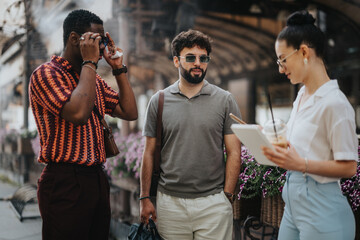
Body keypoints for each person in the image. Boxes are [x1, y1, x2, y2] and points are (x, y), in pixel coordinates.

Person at [29, 9, 138, 240]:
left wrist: (118, 68)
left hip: (97, 178)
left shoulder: (94, 80)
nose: (101, 47)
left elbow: (129, 111)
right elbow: (78, 112)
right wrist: (89, 62)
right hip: (64, 180)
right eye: (96, 40)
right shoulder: (46, 74)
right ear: (74, 39)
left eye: (103, 40)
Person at [262, 10, 358, 240]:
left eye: (282, 59)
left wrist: (300, 163)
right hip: (293, 206)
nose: (280, 68)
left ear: (304, 51)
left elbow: (349, 167)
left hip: (322, 211)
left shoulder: (336, 104)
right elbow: (305, 147)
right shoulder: (302, 96)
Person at [139, 29, 242, 240]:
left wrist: (227, 197)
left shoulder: (225, 100)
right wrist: (144, 198)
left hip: (213, 204)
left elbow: (234, 151)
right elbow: (148, 153)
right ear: (176, 61)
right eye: (191, 58)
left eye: (203, 58)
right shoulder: (158, 101)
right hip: (170, 203)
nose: (198, 63)